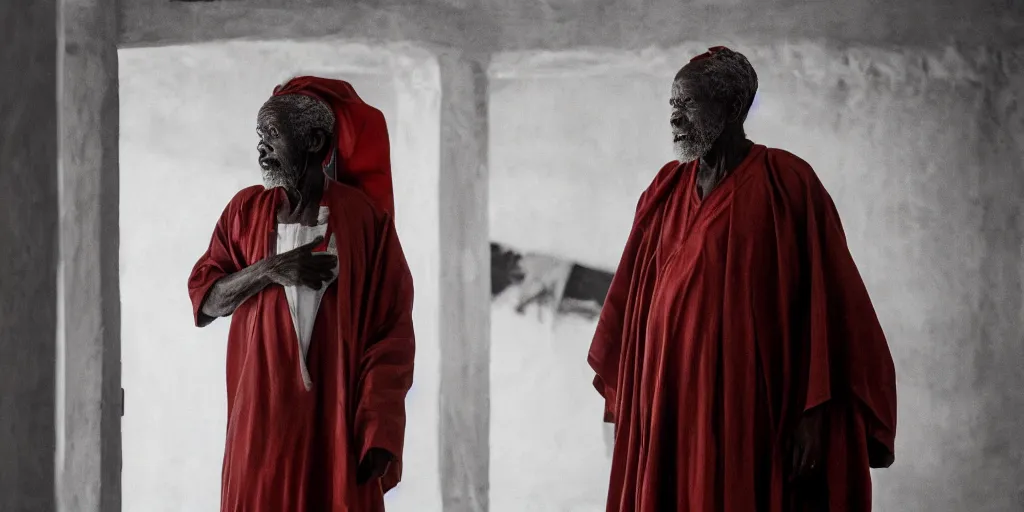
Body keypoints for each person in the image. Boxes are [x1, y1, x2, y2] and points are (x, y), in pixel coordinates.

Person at [586, 47, 898, 511]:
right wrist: (631, 398)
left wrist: (814, 414)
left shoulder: (786, 183)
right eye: (672, 104)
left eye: (687, 103)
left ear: (732, 107)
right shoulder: (664, 190)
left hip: (749, 409)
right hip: (668, 402)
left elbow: (830, 305)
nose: (675, 116)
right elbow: (629, 308)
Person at [187, 76, 415, 512]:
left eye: (271, 134)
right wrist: (272, 270)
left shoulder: (364, 221)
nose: (260, 147)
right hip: (260, 418)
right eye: (259, 136)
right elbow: (207, 300)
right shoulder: (244, 212)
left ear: (313, 139)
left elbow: (393, 332)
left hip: (335, 420)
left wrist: (379, 427)